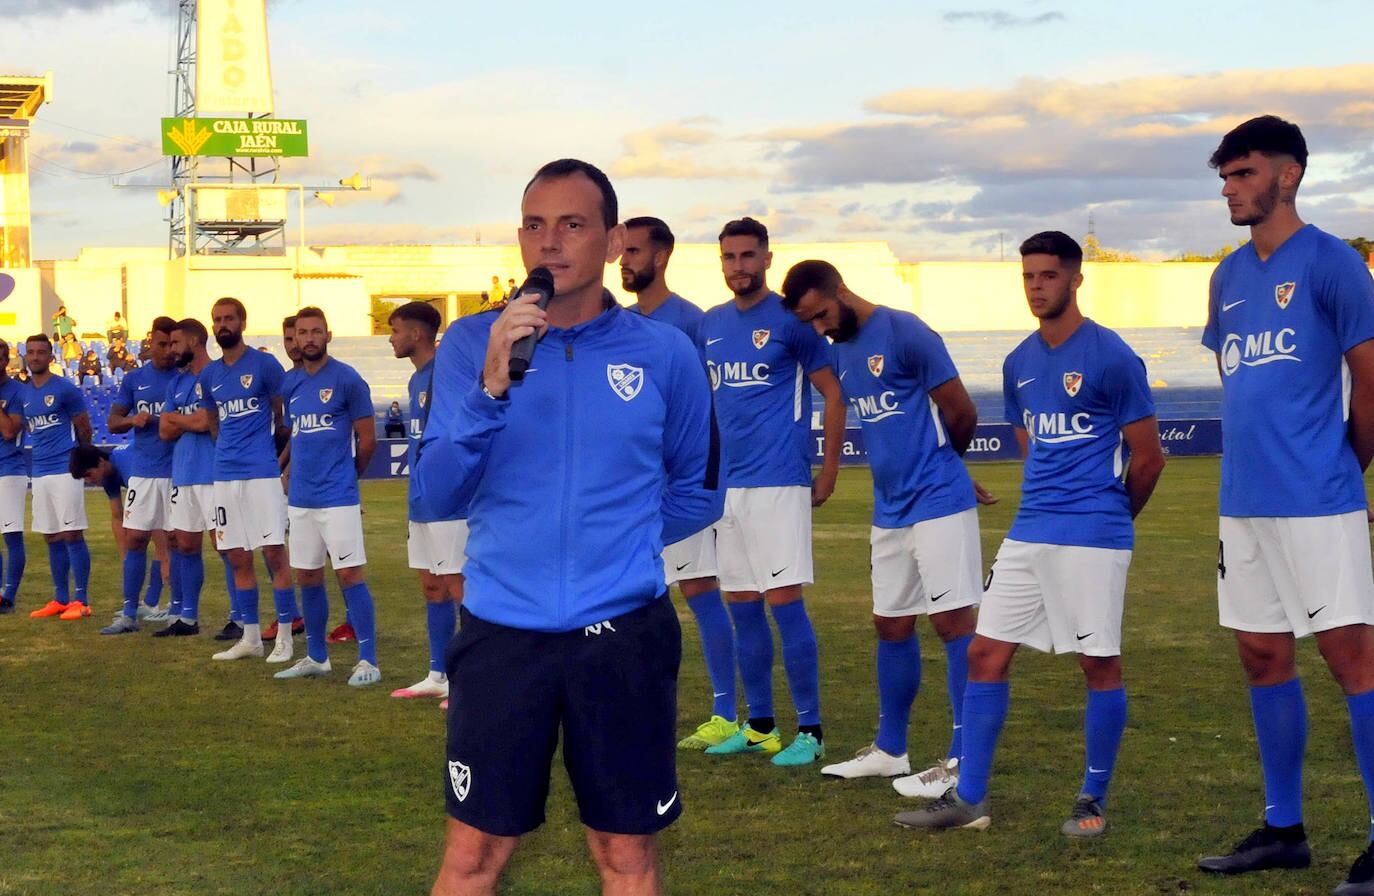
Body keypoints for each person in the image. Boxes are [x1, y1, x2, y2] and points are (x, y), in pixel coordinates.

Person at [418, 159, 720, 895]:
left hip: (623, 635)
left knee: (626, 857)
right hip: (500, 634)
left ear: (615, 242)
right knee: (472, 856)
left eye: (572, 225)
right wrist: (490, 388)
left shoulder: (665, 352)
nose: (548, 243)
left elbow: (701, 490)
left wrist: (617, 549)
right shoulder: (470, 345)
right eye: (533, 225)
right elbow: (432, 494)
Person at [894, 231, 1165, 837]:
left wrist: (1113, 518)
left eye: (1048, 275)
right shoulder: (1018, 362)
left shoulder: (1113, 356)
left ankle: (1091, 799)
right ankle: (969, 799)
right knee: (986, 654)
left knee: (1098, 664)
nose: (1037, 286)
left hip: (1093, 534)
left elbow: (1148, 458)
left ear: (1074, 279)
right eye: (1028, 277)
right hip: (1028, 532)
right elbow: (1029, 445)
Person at [1191, 117, 1374, 894]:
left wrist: (1340, 469)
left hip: (1318, 502)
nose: (1229, 189)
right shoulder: (1228, 277)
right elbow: (1245, 389)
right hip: (1246, 505)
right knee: (1262, 655)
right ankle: (1284, 829)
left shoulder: (1335, 265)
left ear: (1287, 175)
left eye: (1242, 174)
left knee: (1352, 660)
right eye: (1225, 177)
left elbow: (1371, 383)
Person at [779, 260, 986, 796]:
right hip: (889, 509)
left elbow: (961, 411)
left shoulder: (906, 331)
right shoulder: (841, 348)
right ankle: (892, 750)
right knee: (891, 624)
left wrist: (946, 469)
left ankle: (962, 759)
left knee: (953, 625)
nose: (821, 328)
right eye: (811, 323)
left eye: (822, 314)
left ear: (841, 290)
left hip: (938, 503)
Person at [697, 216, 846, 767]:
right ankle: (760, 725)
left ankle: (811, 730)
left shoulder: (793, 322)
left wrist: (827, 470)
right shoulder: (709, 325)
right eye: (729, 257)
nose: (739, 266)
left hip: (780, 480)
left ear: (767, 258)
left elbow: (834, 394)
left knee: (784, 604)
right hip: (726, 487)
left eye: (748, 256)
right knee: (742, 606)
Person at [621, 215, 738, 750]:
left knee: (698, 589)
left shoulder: (689, 323)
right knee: (631, 594)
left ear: (661, 257)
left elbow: (704, 409)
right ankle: (635, 703)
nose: (624, 261)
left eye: (634, 251)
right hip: (629, 484)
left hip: (677, 485)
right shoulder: (617, 323)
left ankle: (725, 712)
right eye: (621, 251)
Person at [272, 306, 380, 686]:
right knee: (308, 576)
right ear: (295, 338)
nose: (309, 338)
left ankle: (368, 660)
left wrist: (349, 478)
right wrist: (287, 473)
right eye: (303, 332)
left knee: (349, 573)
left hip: (338, 497)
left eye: (316, 331)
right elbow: (294, 435)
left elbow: (368, 441)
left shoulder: (348, 380)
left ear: (328, 335)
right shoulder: (290, 385)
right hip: (301, 499)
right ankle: (317, 656)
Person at [201, 297, 297, 662]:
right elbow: (212, 419)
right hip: (225, 475)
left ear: (242, 321)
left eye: (229, 318)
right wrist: (226, 447)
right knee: (237, 556)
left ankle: (286, 635)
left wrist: (267, 452)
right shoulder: (210, 374)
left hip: (260, 473)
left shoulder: (264, 364)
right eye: (217, 320)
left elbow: (281, 413)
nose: (222, 324)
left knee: (274, 552)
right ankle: (252, 638)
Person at [387, 300, 466, 703]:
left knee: (459, 587)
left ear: (417, 334)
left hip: (450, 503)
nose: (391, 338)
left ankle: (471, 679)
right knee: (431, 586)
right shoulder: (418, 380)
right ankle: (438, 672)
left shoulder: (447, 375)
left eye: (396, 330)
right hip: (421, 501)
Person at [99, 317, 179, 634]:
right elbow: (112, 422)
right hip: (144, 472)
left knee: (178, 541)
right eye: (162, 344)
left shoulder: (186, 379)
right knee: (135, 539)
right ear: (150, 343)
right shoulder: (135, 379)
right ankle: (129, 613)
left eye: (172, 344)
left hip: (176, 470)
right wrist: (134, 420)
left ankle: (181, 611)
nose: (168, 351)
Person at [21, 334, 96, 621]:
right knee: (51, 536)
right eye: (31, 352)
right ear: (26, 357)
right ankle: (61, 599)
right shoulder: (25, 394)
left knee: (72, 533)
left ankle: (82, 600)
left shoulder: (65, 389)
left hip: (65, 469)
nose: (36, 357)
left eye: (41, 352)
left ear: (51, 357)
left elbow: (84, 427)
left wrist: (83, 462)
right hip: (39, 472)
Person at [155, 318, 220, 637]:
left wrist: (178, 419)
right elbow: (164, 431)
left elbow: (207, 421)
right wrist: (187, 420)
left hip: (213, 473)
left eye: (176, 343)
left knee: (225, 547)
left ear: (193, 343)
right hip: (183, 473)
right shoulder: (176, 383)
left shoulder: (217, 375)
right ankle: (188, 618)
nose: (171, 350)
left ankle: (237, 618)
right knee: (186, 545)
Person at [0, 340, 27, 613]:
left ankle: (9, 595)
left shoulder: (18, 391)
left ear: (6, 361)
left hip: (9, 469)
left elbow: (9, 431)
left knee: (11, 535)